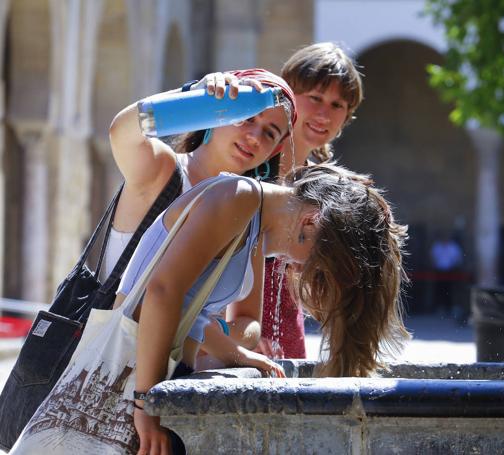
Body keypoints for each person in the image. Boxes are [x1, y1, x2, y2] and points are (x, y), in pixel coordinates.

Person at [113, 163, 409, 452]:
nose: (306, 270)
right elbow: (161, 291)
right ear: (311, 221)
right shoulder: (237, 197)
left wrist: (236, 354)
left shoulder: (253, 221)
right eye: (319, 263)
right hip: (131, 381)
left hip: (154, 379)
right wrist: (146, 402)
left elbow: (187, 311)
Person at [105, 68, 297, 353]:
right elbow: (121, 131)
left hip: (181, 382)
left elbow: (248, 322)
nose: (254, 137)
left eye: (269, 133)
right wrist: (193, 97)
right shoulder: (163, 171)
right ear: (217, 112)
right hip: (108, 364)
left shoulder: (250, 211)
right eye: (245, 117)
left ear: (273, 151)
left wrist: (205, 334)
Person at [240, 42, 364, 359]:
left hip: (288, 340)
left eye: (338, 105)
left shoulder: (321, 187)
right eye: (315, 98)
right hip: (235, 337)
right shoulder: (248, 162)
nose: (324, 113)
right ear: (289, 96)